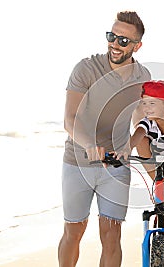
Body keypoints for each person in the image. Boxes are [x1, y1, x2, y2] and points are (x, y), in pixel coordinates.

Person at [59, 11, 151, 267]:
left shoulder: (142, 77)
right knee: (74, 231)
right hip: (77, 162)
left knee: (112, 234)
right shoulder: (86, 68)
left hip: (116, 168)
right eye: (112, 36)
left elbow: (142, 119)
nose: (115, 44)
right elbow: (70, 119)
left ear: (137, 46)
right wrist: (89, 145)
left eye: (123, 40)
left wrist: (131, 143)